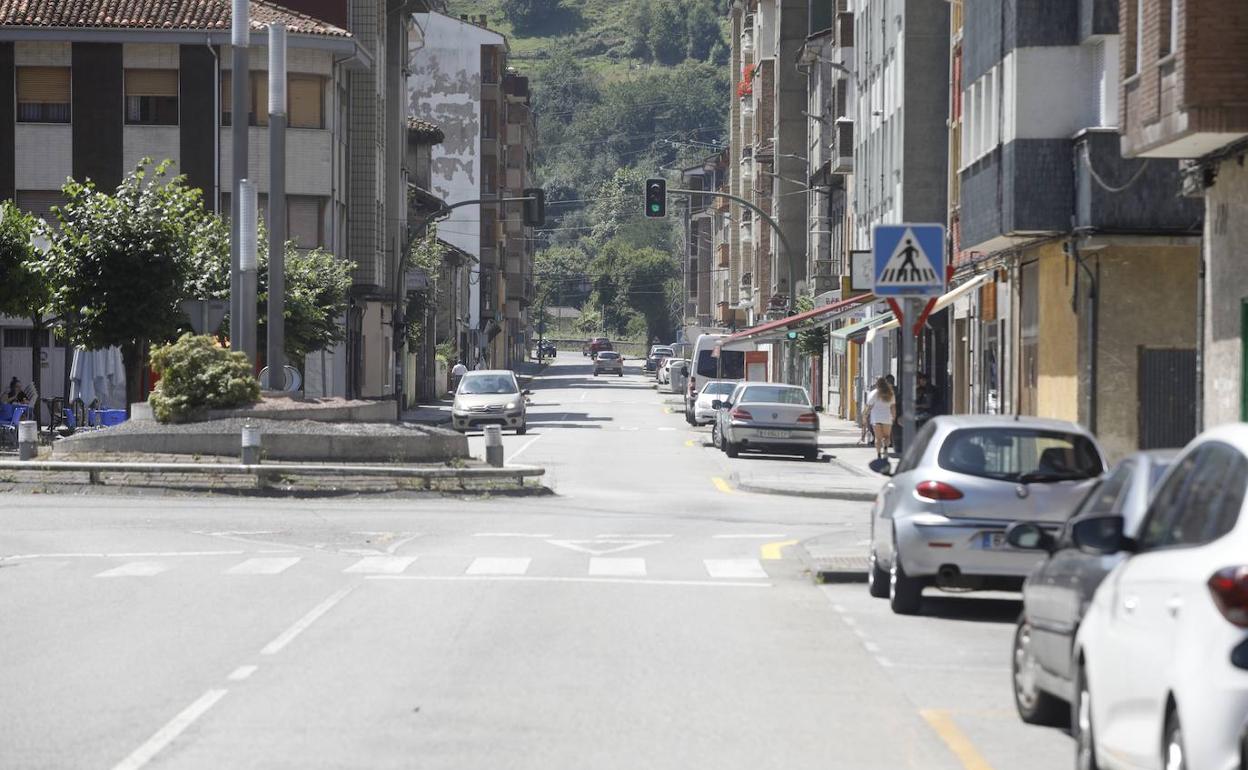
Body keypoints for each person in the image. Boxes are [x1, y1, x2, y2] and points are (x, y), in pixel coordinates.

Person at [864, 376, 896, 460]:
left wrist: (865, 416)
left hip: (876, 418)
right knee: (887, 436)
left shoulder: (873, 393)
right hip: (887, 418)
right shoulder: (890, 393)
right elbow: (893, 407)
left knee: (878, 438)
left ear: (876, 384)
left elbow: (869, 407)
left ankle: (878, 454)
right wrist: (893, 416)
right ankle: (885, 449)